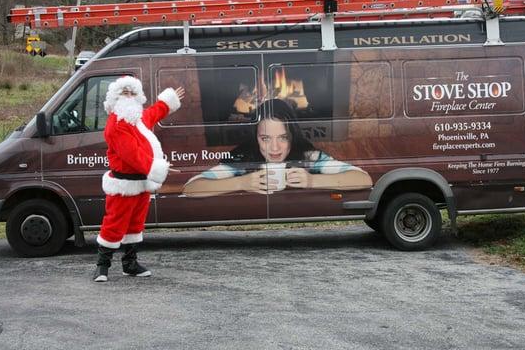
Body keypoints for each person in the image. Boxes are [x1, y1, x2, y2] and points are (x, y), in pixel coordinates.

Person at [182, 98, 372, 197]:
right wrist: (241, 183)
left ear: (292, 136)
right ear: (255, 138)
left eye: (282, 137)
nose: (274, 147)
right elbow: (191, 188)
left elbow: (363, 179)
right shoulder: (242, 158)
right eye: (265, 138)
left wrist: (312, 181)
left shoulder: (308, 156)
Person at [94, 76, 184, 282]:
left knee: (135, 224)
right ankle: (102, 266)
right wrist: (161, 168)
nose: (129, 97)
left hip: (141, 183)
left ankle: (130, 264)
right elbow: (132, 154)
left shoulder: (137, 119)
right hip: (123, 184)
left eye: (132, 93)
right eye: (125, 93)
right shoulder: (116, 125)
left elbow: (152, 114)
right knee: (114, 224)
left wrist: (166, 102)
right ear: (116, 98)